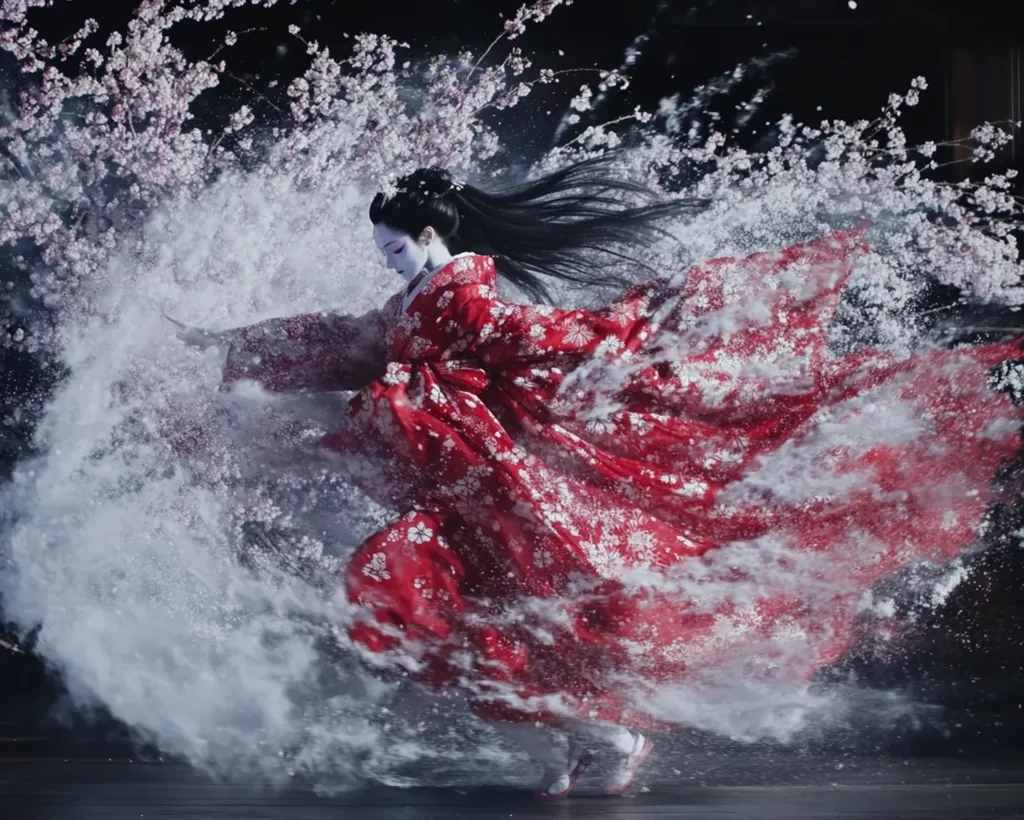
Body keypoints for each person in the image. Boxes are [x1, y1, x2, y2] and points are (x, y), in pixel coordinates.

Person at [170, 157, 1023, 798]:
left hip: (501, 487)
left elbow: (542, 341)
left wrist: (626, 343)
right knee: (445, 604)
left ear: (433, 239)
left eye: (395, 249)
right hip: (465, 485)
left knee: (474, 605)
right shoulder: (415, 305)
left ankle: (594, 735)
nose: (387, 262)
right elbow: (352, 339)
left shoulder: (470, 304)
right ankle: (577, 735)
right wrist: (236, 344)